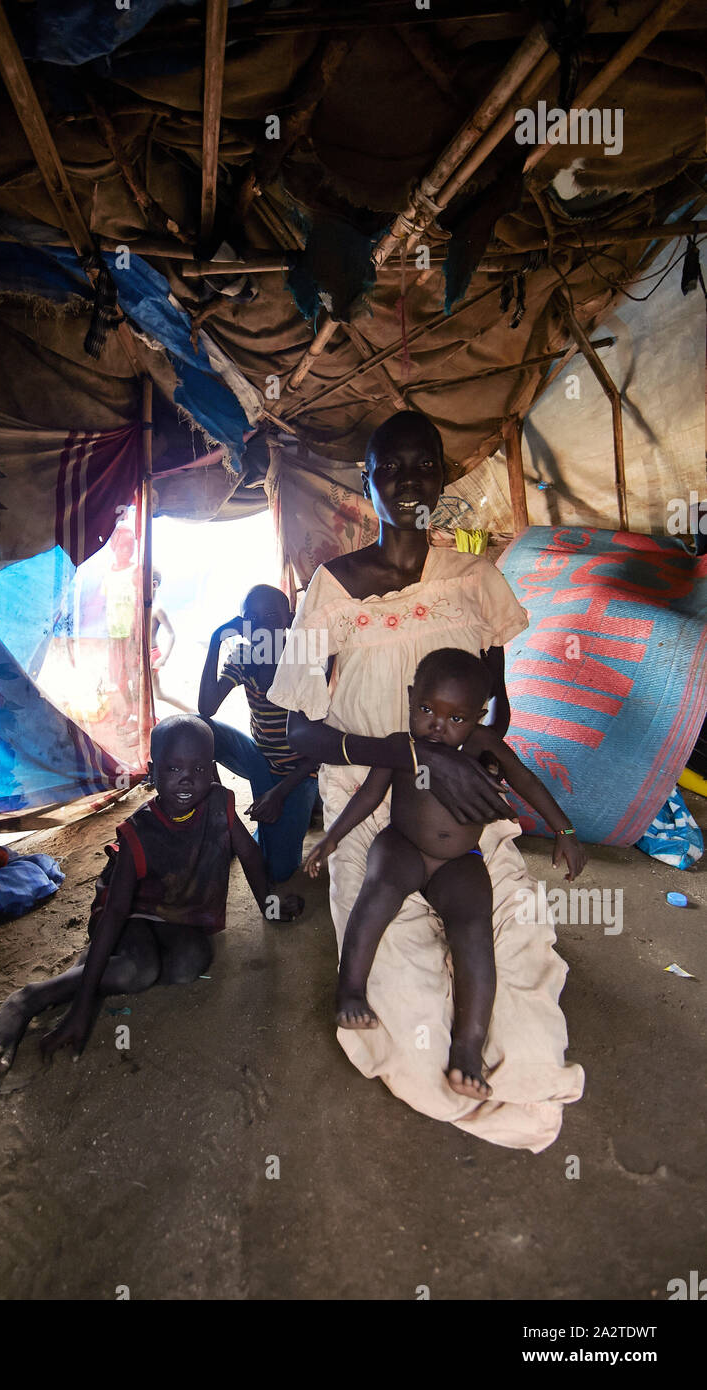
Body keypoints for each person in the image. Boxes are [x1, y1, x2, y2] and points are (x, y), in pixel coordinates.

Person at [268, 409, 585, 1153]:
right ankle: (445, 1064)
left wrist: (461, 758)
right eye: (393, 467)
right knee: (406, 1023)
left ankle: (496, 1067)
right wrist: (409, 756)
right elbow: (297, 729)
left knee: (523, 1013)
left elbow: (495, 713)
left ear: (441, 479)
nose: (410, 480)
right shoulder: (335, 588)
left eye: (424, 466)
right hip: (370, 806)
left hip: (458, 815)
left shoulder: (475, 579)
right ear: (367, 480)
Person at [305, 648, 587, 1099]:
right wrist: (331, 839)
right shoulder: (403, 746)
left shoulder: (484, 746)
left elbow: (527, 780)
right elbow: (368, 797)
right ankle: (351, 990)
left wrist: (564, 830)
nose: (438, 724)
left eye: (456, 718)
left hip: (460, 862)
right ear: (412, 697)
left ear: (479, 716)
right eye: (426, 709)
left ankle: (468, 1048)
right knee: (375, 894)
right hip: (403, 846)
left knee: (474, 932)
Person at [0, 716, 303, 1072]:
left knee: (190, 964)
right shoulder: (138, 831)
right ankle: (30, 999)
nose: (187, 779)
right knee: (139, 971)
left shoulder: (218, 804)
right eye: (174, 767)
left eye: (198, 768)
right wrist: (83, 1009)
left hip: (177, 912)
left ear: (212, 770)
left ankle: (103, 967)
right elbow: (116, 911)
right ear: (152, 771)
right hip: (132, 912)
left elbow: (252, 856)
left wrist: (269, 905)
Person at [198, 584, 319, 883]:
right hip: (259, 758)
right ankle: (219, 820)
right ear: (241, 625)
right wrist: (216, 639)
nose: (262, 624)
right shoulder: (244, 656)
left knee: (278, 872)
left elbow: (320, 749)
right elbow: (207, 707)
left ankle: (288, 810)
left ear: (290, 619)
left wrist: (278, 794)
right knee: (197, 729)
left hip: (301, 771)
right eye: (251, 617)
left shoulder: (306, 660)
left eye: (271, 615)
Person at [103, 526, 139, 729]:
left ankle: (135, 714)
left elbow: (142, 603)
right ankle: (123, 712)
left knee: (134, 673)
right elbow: (106, 603)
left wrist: (137, 631)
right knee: (117, 676)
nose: (127, 550)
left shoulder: (136, 570)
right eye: (123, 546)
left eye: (131, 545)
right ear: (113, 547)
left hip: (132, 633)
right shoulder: (108, 573)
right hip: (113, 632)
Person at [150, 569, 193, 714]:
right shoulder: (143, 606)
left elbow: (171, 634)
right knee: (159, 694)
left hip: (151, 655)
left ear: (154, 585)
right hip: (143, 653)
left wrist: (164, 657)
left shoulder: (157, 609)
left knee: (143, 693)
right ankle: (192, 711)